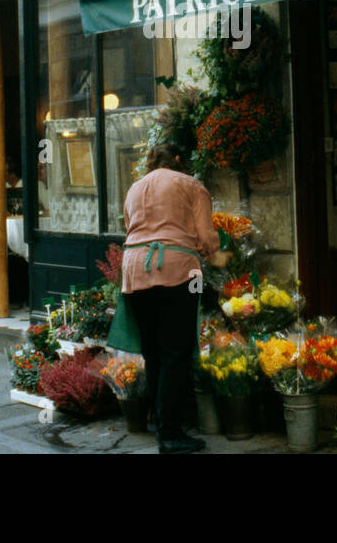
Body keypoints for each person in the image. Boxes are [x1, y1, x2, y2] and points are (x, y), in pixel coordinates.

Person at [121, 144, 231, 454]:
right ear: (180, 160)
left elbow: (129, 226)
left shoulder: (134, 188)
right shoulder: (190, 184)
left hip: (134, 271)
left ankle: (161, 424)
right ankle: (170, 434)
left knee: (154, 353)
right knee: (176, 351)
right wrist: (216, 253)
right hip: (176, 270)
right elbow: (206, 237)